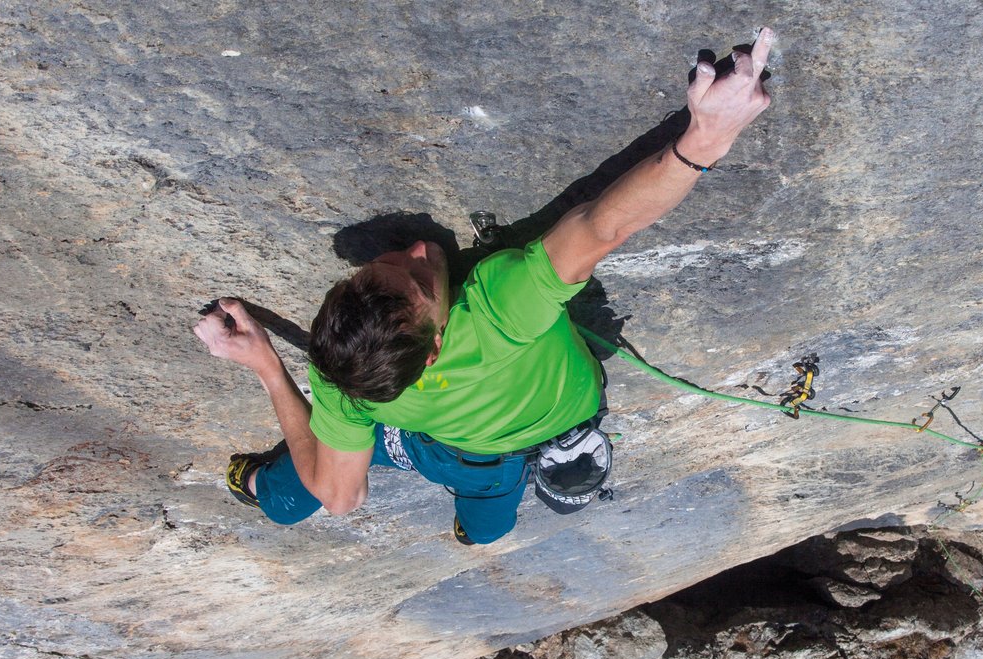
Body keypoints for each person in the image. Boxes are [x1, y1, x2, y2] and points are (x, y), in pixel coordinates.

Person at [193, 28, 778, 544]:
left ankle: (262, 488)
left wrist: (271, 369)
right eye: (420, 276)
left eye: (392, 263)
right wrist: (704, 139)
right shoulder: (498, 308)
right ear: (437, 343)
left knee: (319, 482)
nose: (419, 249)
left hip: (457, 455)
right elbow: (603, 225)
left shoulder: (342, 383)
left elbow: (342, 500)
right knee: (488, 527)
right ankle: (468, 529)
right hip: (496, 455)